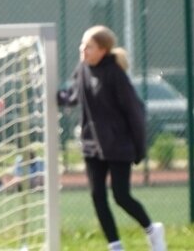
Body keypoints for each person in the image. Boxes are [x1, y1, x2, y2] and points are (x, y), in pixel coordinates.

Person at [57, 25, 167, 251]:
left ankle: (152, 230)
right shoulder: (83, 69)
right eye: (83, 45)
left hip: (118, 145)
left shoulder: (115, 74)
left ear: (103, 51)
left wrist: (139, 148)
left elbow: (135, 112)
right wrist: (57, 96)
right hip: (91, 145)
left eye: (89, 46)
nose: (83, 50)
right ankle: (115, 245)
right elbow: (74, 96)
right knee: (97, 196)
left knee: (121, 196)